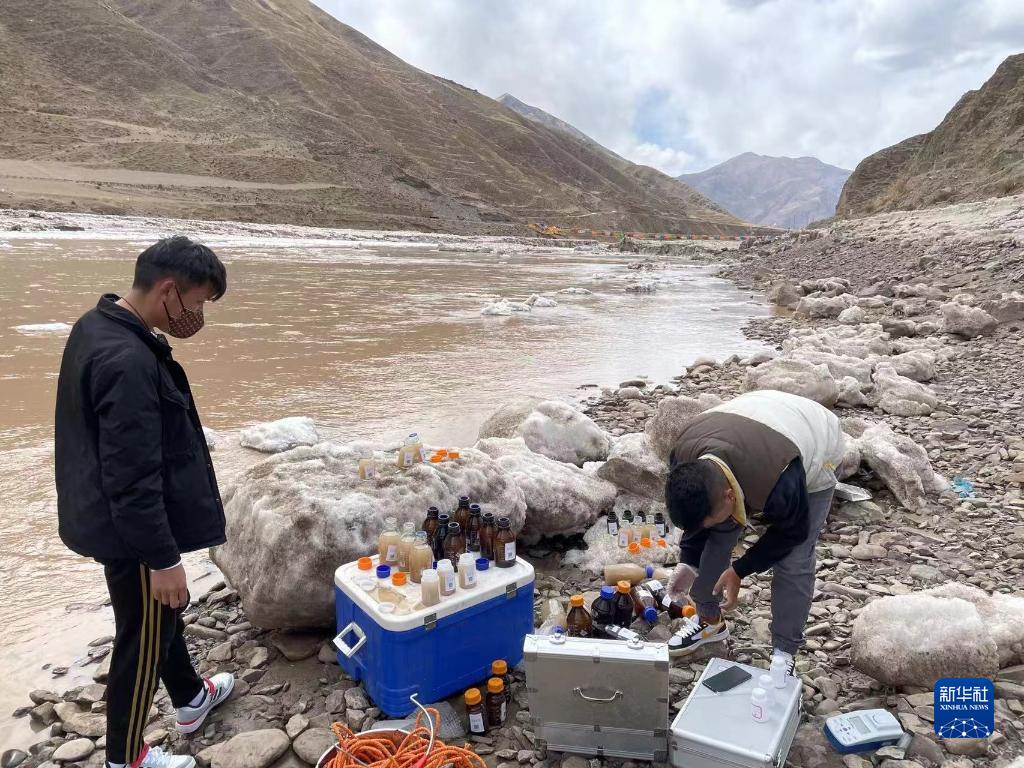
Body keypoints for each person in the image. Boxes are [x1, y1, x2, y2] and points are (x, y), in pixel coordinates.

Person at [55, 237, 233, 768]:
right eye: (197, 303)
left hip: (108, 514)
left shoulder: (100, 324)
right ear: (169, 290)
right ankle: (125, 758)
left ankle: (191, 698)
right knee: (142, 638)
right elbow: (132, 478)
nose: (197, 316)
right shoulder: (127, 359)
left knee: (161, 615)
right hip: (130, 531)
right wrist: (162, 557)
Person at [662, 389, 845, 674]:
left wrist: (740, 570)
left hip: (813, 438)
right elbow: (697, 521)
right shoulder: (683, 457)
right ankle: (709, 621)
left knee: (794, 560)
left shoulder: (781, 478)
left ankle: (784, 653)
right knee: (715, 530)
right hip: (750, 419)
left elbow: (792, 532)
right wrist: (688, 561)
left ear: (729, 496)